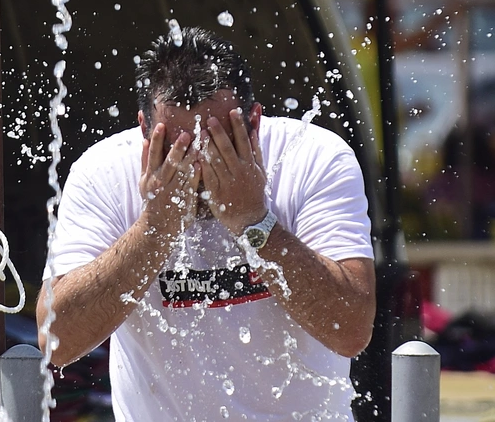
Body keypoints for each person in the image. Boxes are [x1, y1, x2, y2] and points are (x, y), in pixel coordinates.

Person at [37, 27, 376, 421]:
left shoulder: (314, 158)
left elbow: (351, 330)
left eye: (218, 144)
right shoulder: (104, 172)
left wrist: (255, 221)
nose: (197, 167)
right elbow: (56, 341)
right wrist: (154, 229)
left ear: (254, 123)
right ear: (144, 130)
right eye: (177, 148)